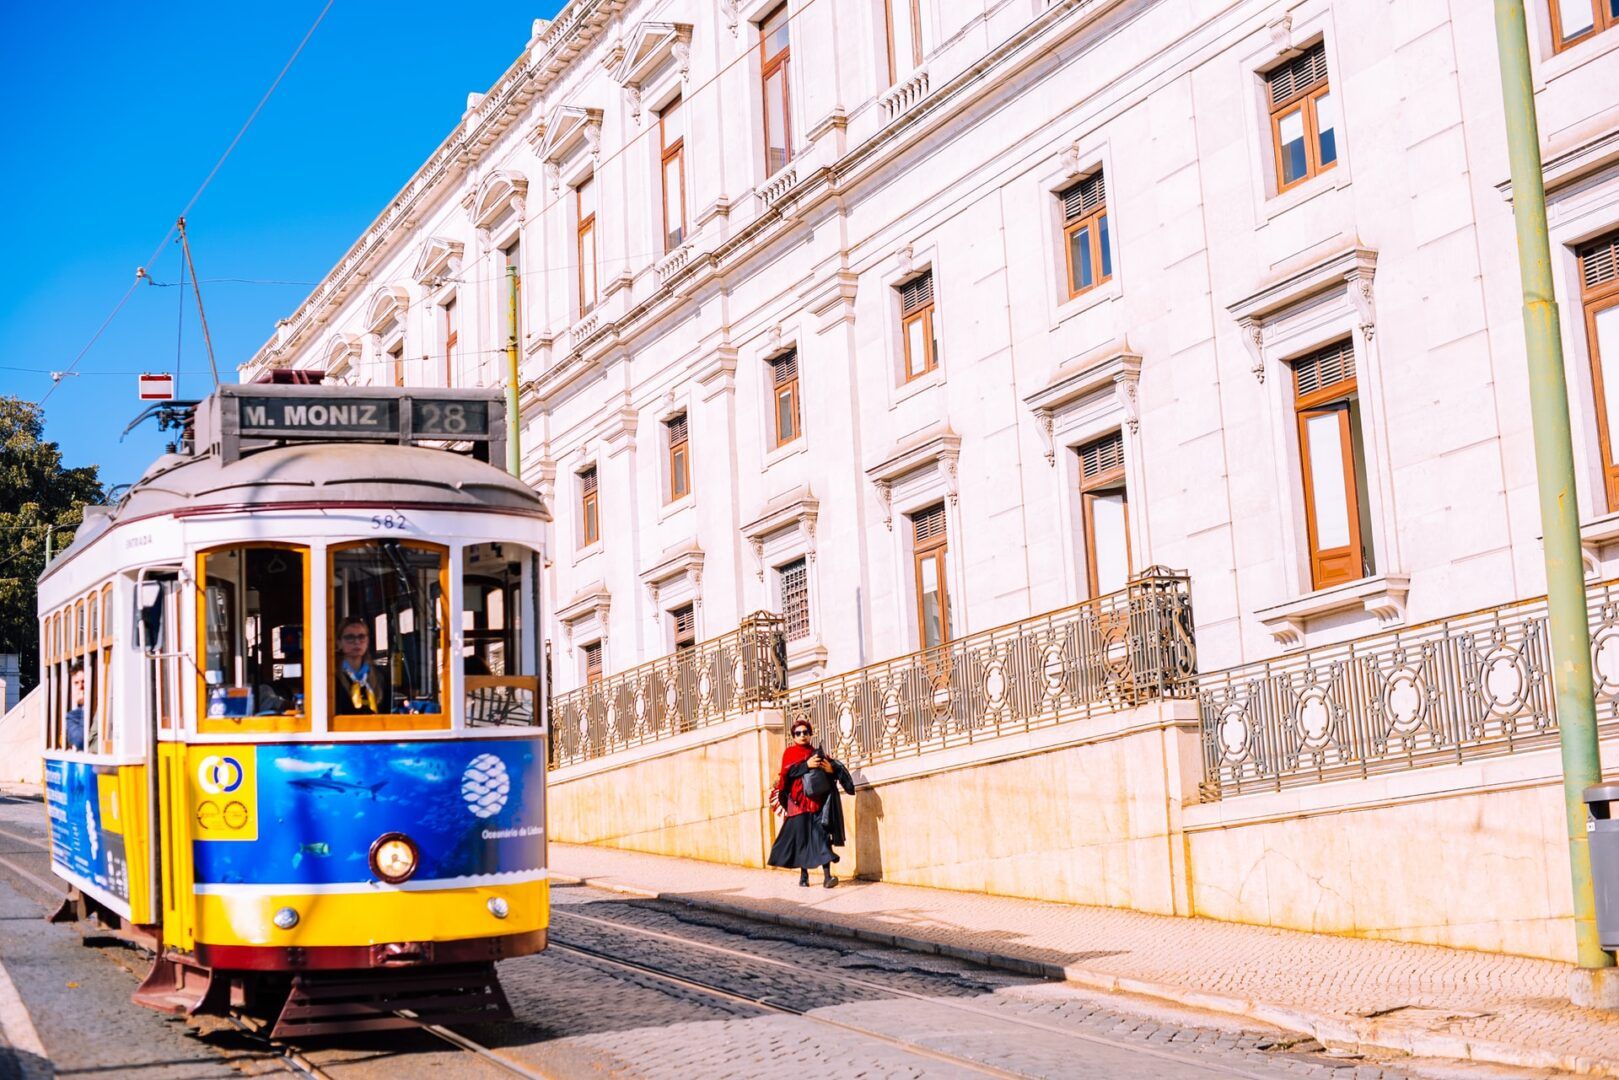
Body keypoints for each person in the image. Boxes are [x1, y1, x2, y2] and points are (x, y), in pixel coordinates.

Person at [768, 720, 852, 888]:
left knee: (822, 837)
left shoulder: (816, 753)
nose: (802, 735)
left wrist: (830, 769)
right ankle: (804, 875)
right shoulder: (790, 753)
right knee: (802, 839)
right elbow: (787, 773)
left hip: (817, 803)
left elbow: (830, 774)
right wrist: (806, 765)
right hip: (798, 803)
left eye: (805, 732)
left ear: (810, 734)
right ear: (793, 737)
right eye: (798, 733)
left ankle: (827, 877)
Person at [334, 617, 390, 715]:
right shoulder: (332, 676)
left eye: (361, 637)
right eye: (350, 637)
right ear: (339, 642)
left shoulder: (380, 675)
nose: (357, 642)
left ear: (367, 641)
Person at [63, 661, 86, 751]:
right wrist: (85, 706)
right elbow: (79, 741)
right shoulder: (73, 715)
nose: (80, 686)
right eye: (76, 683)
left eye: (84, 682)